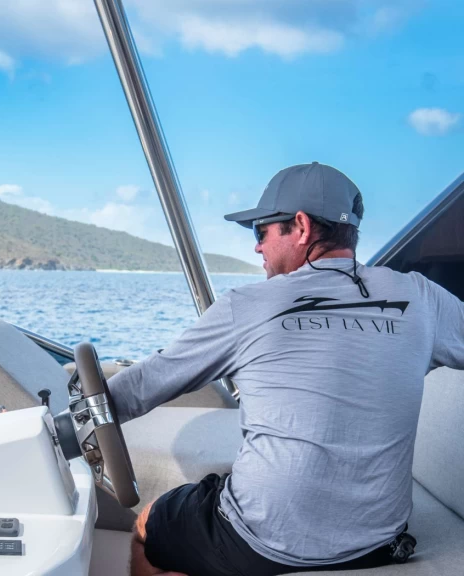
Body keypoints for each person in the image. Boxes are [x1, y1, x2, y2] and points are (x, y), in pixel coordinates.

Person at [106, 162, 464, 576]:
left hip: (262, 542)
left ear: (300, 226)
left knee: (147, 525)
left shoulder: (249, 305)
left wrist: (59, 426)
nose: (257, 247)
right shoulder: (421, 297)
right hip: (380, 542)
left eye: (261, 231)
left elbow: (139, 388)